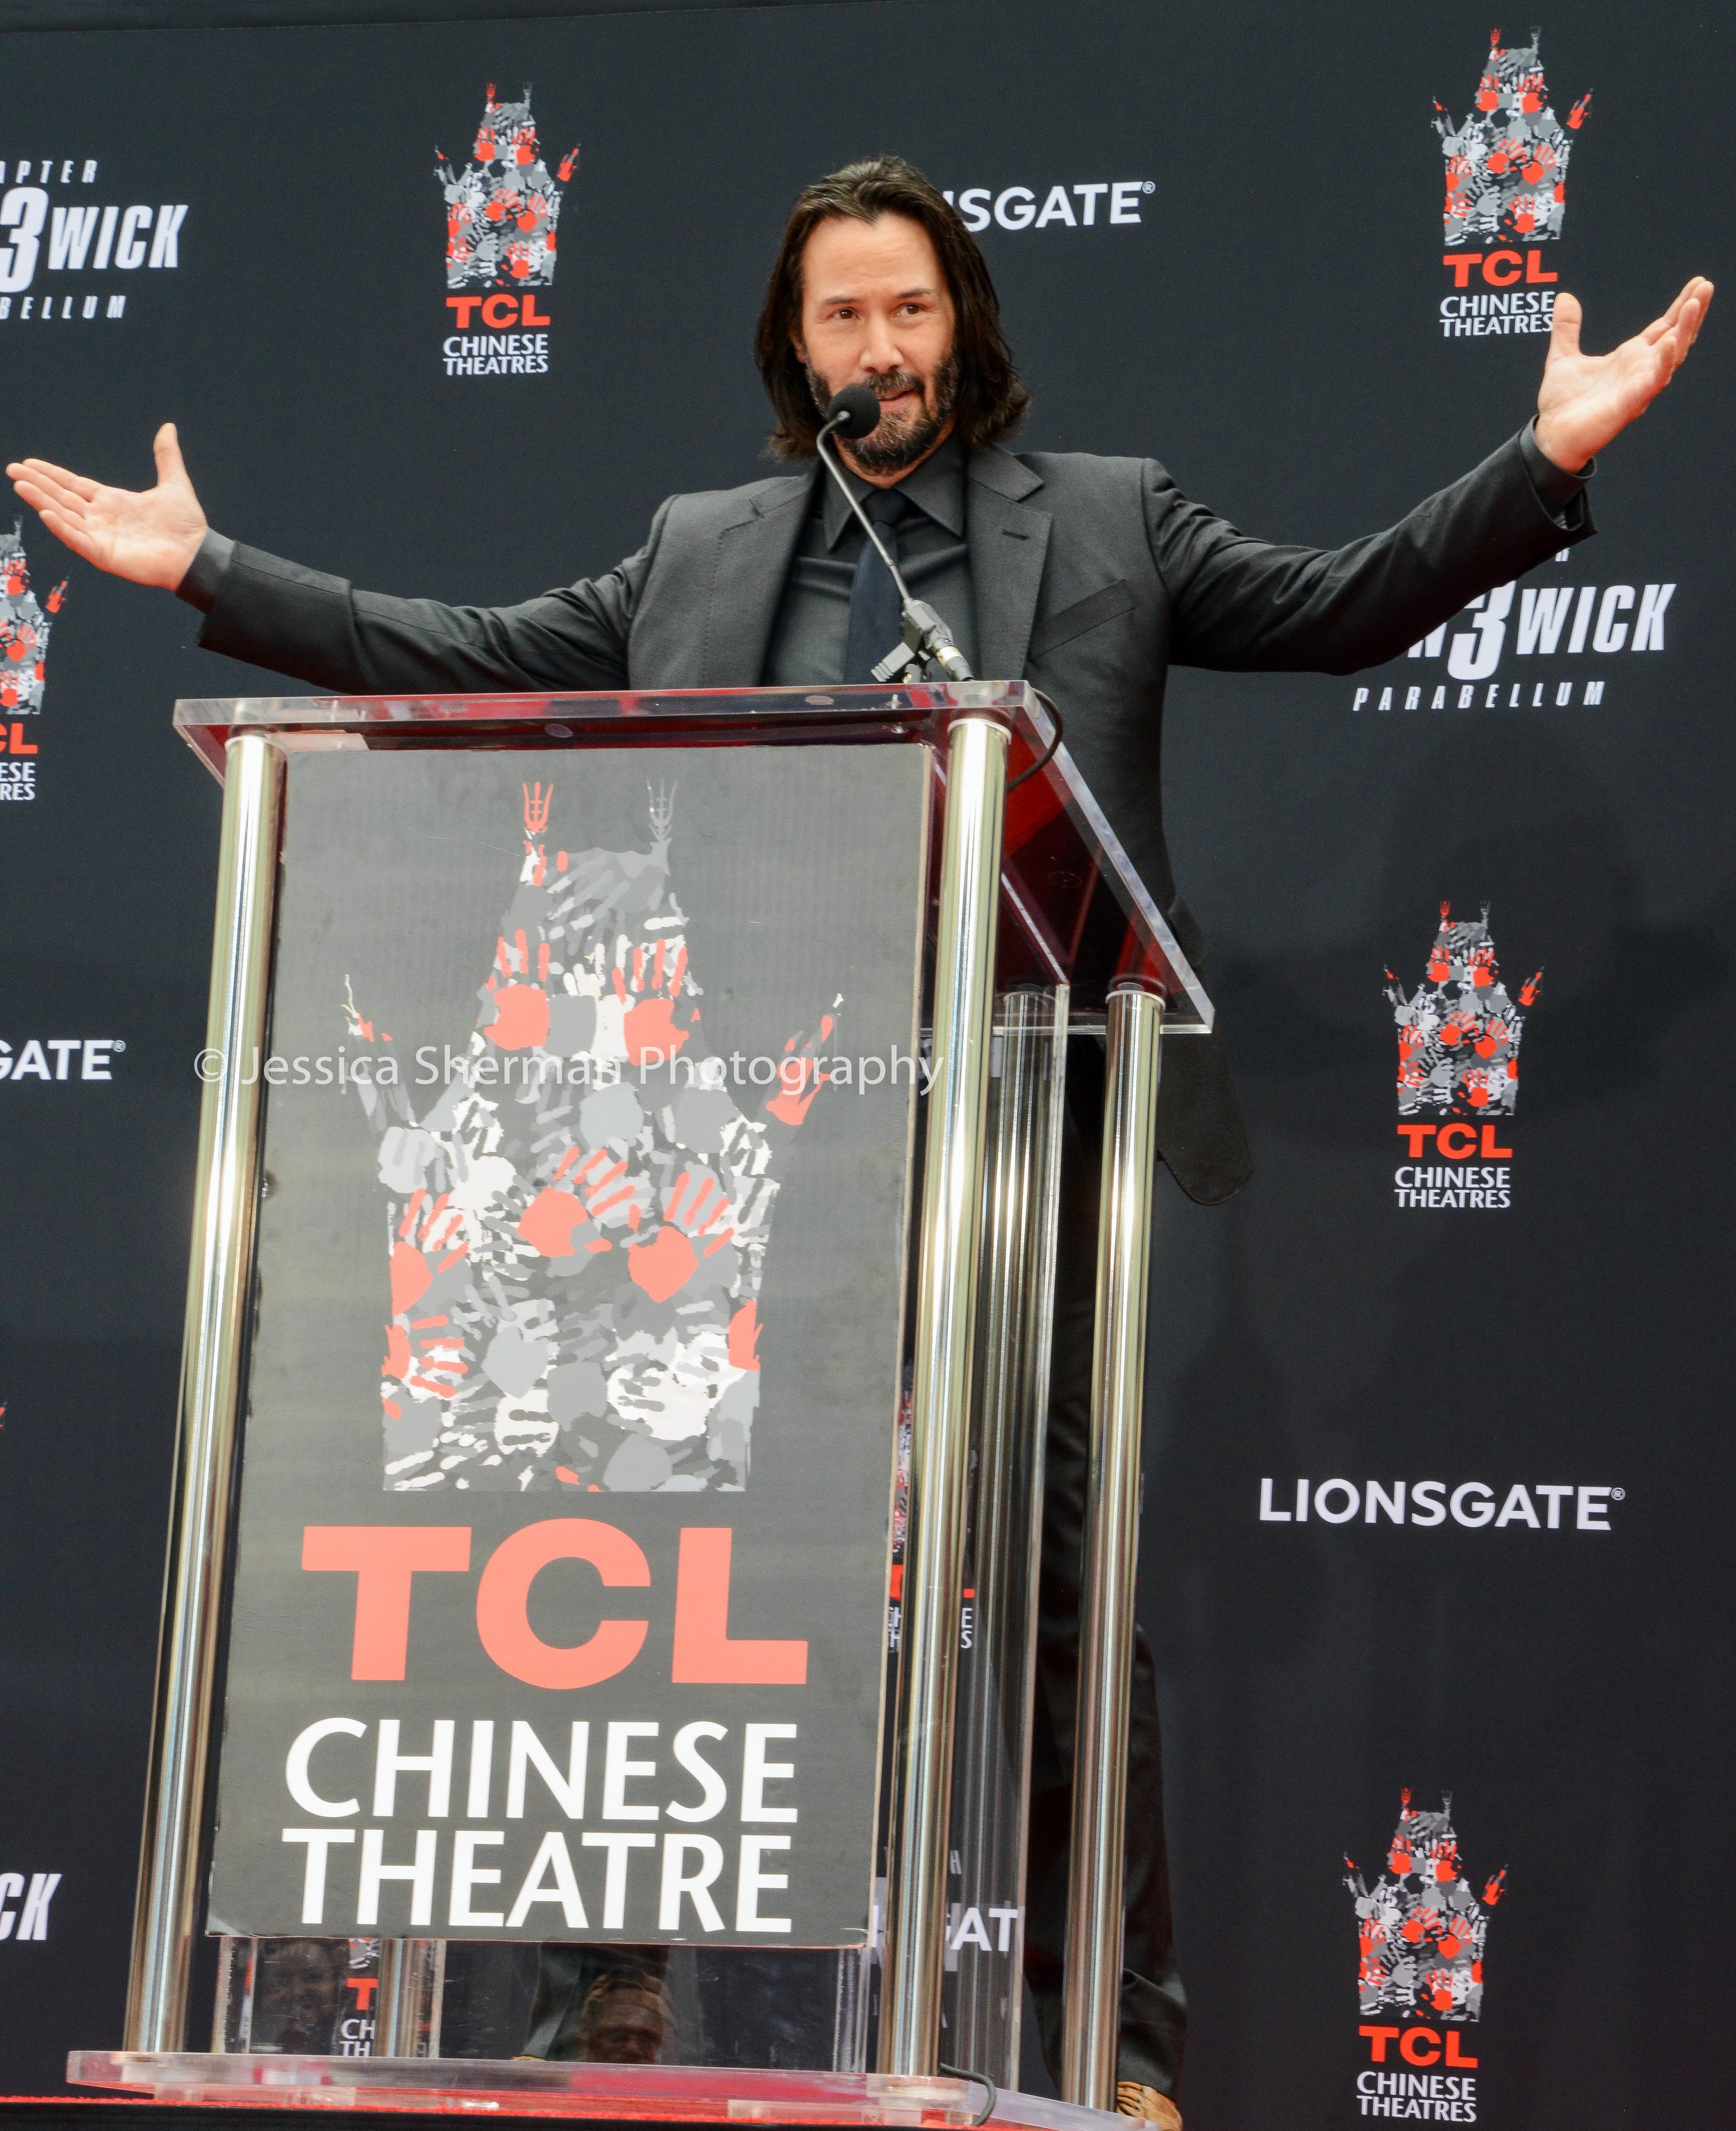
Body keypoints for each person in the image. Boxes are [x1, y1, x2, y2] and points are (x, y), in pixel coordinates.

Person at [10, 156, 1708, 2127]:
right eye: (840, 315)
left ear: (963, 329)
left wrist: (1535, 463)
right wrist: (212, 574)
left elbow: (1337, 611)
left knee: (1063, 1589)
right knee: (666, 1560)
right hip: (752, 1150)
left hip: (1024, 1128)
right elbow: (462, 654)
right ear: (791, 345)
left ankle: (1116, 2039)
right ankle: (614, 1998)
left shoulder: (1104, 519)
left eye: (907, 309)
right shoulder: (704, 549)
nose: (877, 345)